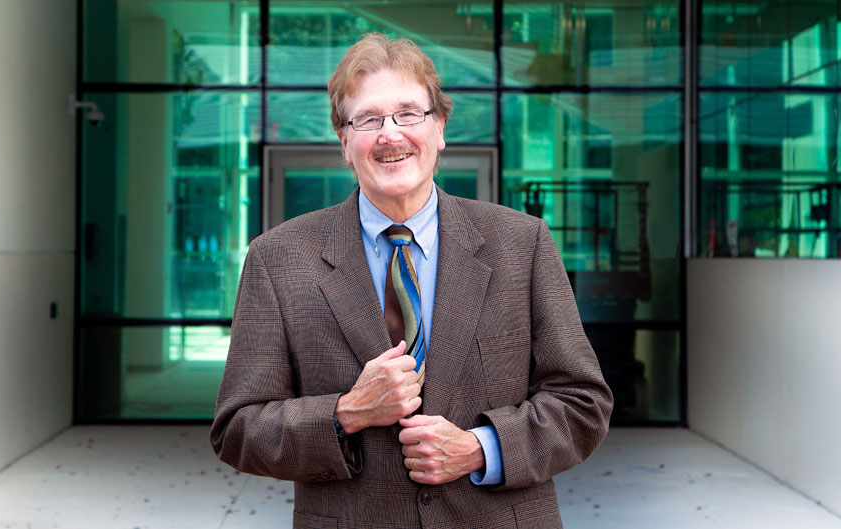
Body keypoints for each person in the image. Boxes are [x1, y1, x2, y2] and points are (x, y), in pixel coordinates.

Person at [211, 33, 613, 529]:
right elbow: (237, 429)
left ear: (439, 127)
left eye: (408, 113)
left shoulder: (521, 242)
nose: (390, 134)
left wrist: (480, 448)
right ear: (344, 142)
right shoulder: (278, 257)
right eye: (369, 119)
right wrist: (347, 413)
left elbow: (583, 404)